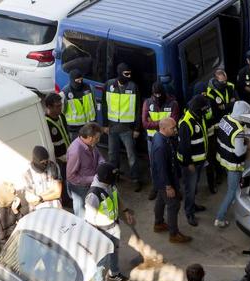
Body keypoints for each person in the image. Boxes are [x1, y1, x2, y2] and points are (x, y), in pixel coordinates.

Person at [84, 163, 133, 281]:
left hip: (114, 226)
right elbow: (89, 220)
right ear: (106, 178)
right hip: (101, 232)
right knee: (102, 259)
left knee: (114, 251)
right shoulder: (93, 195)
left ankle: (114, 273)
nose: (116, 178)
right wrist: (96, 237)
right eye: (113, 176)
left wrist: (125, 211)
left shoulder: (110, 184)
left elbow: (117, 197)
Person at [102, 62, 142, 192]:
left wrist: (136, 128)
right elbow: (104, 105)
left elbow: (137, 108)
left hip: (127, 129)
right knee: (112, 155)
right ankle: (115, 176)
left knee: (132, 156)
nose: (129, 76)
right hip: (112, 127)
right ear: (119, 73)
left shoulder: (133, 87)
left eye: (130, 74)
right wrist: (104, 125)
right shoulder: (108, 85)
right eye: (126, 74)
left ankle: (136, 179)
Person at [152, 117, 192, 243]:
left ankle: (158, 223)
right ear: (163, 129)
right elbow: (162, 168)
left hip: (161, 181)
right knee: (173, 204)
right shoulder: (161, 146)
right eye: (172, 128)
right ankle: (173, 234)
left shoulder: (161, 137)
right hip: (165, 181)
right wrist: (168, 186)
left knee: (160, 200)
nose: (175, 130)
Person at [214, 101, 250, 228]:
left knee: (232, 187)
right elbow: (239, 152)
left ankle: (235, 197)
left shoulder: (225, 118)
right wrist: (248, 145)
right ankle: (220, 217)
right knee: (231, 191)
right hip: (233, 165)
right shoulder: (239, 131)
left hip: (223, 158)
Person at [142, 81, 180, 200]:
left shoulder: (173, 103)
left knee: (172, 164)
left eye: (160, 94)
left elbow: (173, 122)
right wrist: (163, 123)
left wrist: (154, 123)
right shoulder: (147, 103)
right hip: (152, 140)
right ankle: (156, 187)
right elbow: (145, 124)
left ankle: (175, 188)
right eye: (155, 95)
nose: (158, 97)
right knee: (154, 165)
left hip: (169, 140)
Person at [177, 94, 211, 227]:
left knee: (194, 187)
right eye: (205, 109)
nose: (206, 111)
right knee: (190, 189)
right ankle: (189, 212)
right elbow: (184, 146)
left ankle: (193, 205)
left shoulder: (198, 117)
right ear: (198, 109)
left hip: (199, 161)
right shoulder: (186, 123)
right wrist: (189, 163)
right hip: (190, 164)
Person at [66, 123, 105, 218]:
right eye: (97, 138)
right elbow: (71, 177)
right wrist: (93, 178)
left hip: (91, 184)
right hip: (80, 189)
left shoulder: (91, 144)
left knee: (93, 213)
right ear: (90, 137)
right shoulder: (76, 151)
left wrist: (102, 164)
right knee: (82, 216)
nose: (98, 140)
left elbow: (98, 155)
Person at [0, 182, 29, 262]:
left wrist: (15, 211)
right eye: (13, 193)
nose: (16, 195)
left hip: (14, 242)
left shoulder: (11, 203)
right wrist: (16, 227)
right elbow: (1, 236)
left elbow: (23, 222)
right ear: (6, 195)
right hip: (2, 248)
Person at [43, 93, 71, 206]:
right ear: (49, 107)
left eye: (61, 105)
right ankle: (65, 200)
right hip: (59, 159)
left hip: (68, 155)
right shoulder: (46, 123)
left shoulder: (61, 116)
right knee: (61, 180)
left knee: (69, 178)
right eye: (57, 106)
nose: (61, 108)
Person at [61, 69, 97, 141]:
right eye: (77, 81)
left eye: (81, 80)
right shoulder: (65, 93)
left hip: (89, 127)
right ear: (72, 80)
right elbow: (62, 112)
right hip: (74, 130)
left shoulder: (89, 88)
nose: (80, 82)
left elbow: (94, 105)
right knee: (77, 150)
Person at [23, 146, 62, 210]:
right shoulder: (27, 175)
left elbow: (57, 193)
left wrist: (40, 198)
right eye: (42, 163)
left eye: (46, 161)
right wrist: (51, 191)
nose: (45, 164)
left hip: (55, 208)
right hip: (38, 211)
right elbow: (31, 200)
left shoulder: (53, 167)